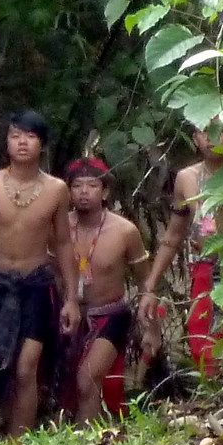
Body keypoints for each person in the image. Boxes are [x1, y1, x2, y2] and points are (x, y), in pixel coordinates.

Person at [0, 110, 80, 436]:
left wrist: (71, 298)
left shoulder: (56, 190)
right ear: (7, 142)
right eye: (15, 136)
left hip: (37, 286)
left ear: (42, 144)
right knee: (3, 368)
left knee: (27, 367)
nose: (22, 142)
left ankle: (19, 443)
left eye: (30, 136)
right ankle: (4, 430)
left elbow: (65, 244)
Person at [139, 129, 223, 376]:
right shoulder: (187, 178)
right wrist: (151, 286)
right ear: (195, 138)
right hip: (204, 269)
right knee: (202, 343)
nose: (210, 138)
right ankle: (215, 402)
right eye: (202, 132)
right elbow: (173, 236)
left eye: (217, 130)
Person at [55, 155, 147, 423]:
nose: (84, 192)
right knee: (65, 384)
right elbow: (49, 272)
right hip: (69, 315)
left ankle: (89, 440)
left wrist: (150, 325)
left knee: (88, 378)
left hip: (110, 315)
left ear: (105, 191)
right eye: (77, 186)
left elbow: (146, 281)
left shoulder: (125, 231)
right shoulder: (58, 229)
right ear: (68, 191)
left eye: (92, 185)